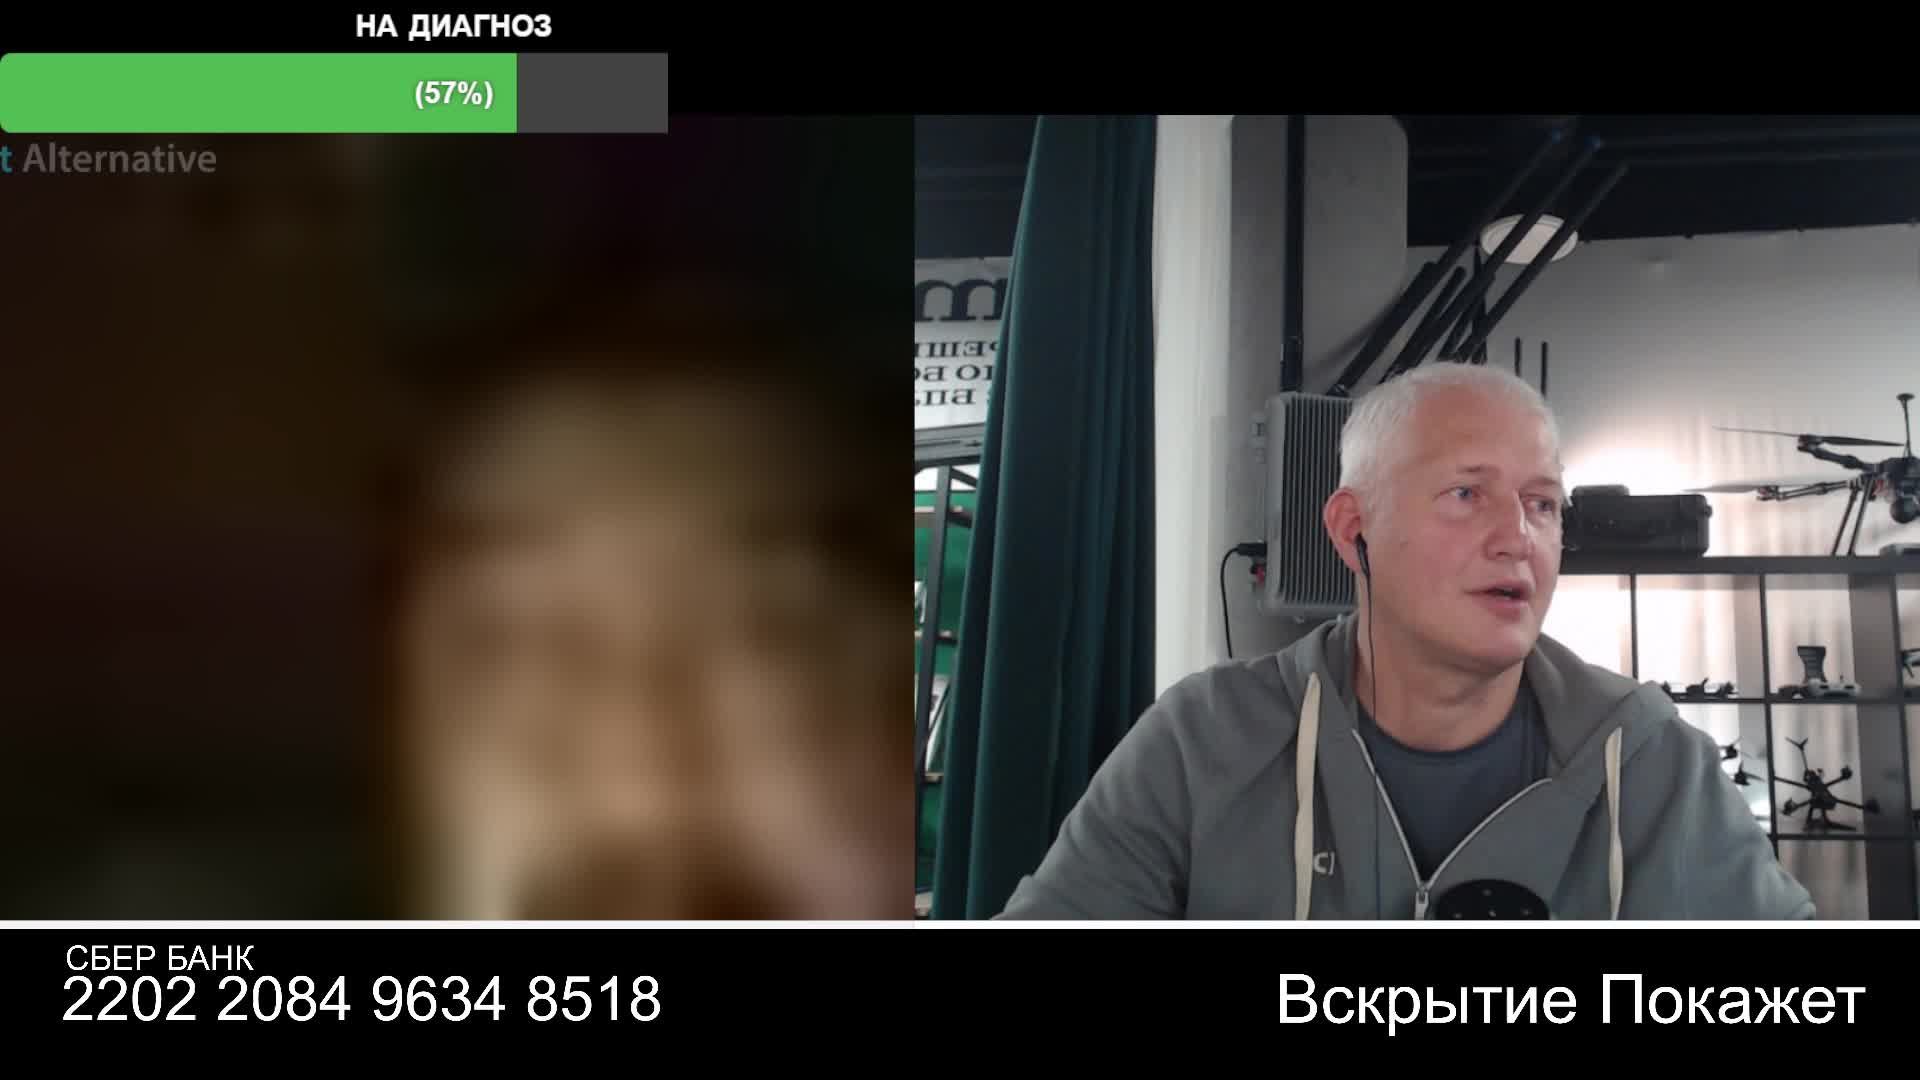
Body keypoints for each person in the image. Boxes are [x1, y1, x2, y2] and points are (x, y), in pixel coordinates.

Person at [998, 363, 1814, 920]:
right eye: (1466, 494)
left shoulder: (1649, 758)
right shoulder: (1203, 740)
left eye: (1542, 505)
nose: (1518, 538)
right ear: (1352, 529)